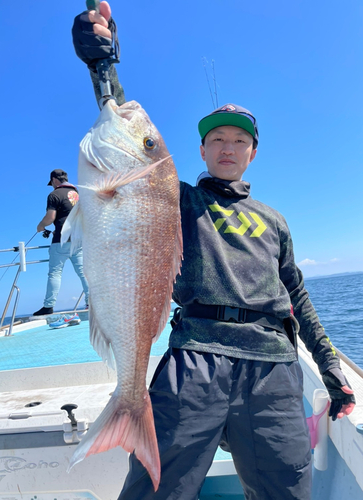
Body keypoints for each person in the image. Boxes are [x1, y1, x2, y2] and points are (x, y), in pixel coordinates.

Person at [71, 4, 356, 499]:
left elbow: (299, 298)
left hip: (272, 366)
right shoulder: (176, 197)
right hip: (195, 359)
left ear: (253, 152)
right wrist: (103, 64)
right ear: (201, 150)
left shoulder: (274, 220)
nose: (228, 147)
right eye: (217, 139)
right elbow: (127, 150)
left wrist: (331, 370)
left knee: (288, 492)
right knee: (155, 490)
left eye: (239, 140)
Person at [33, 169, 89, 316]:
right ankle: (91, 302)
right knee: (83, 273)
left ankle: (48, 306)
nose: (51, 185)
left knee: (54, 273)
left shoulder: (54, 195)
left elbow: (50, 217)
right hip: (79, 239)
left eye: (51, 183)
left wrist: (40, 226)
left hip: (61, 240)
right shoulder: (78, 195)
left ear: (54, 180)